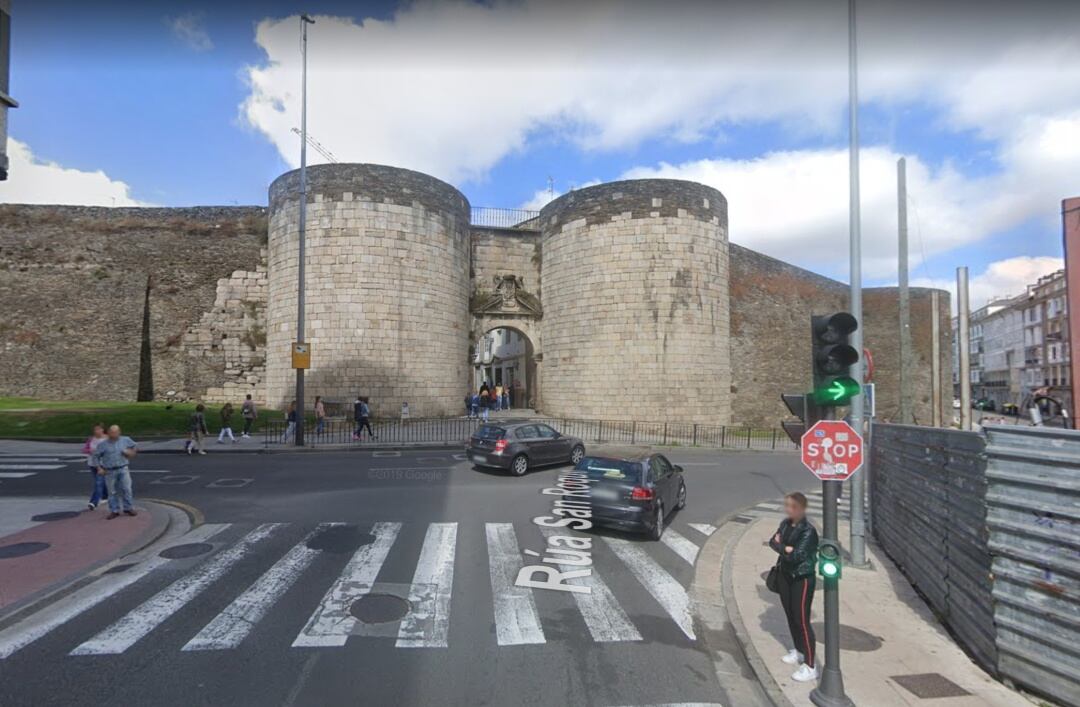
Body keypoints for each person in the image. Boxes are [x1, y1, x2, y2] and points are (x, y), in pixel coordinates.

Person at [769, 491, 820, 683]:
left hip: (802, 578)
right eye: (787, 506)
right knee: (790, 615)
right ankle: (798, 651)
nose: (788, 509)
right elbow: (772, 542)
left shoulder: (808, 531)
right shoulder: (785, 524)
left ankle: (810, 665)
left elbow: (797, 556)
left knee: (802, 620)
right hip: (785, 575)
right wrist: (785, 548)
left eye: (792, 506)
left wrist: (784, 548)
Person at [90, 425, 138, 519]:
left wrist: (131, 452)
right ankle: (114, 510)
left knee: (127, 489)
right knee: (112, 492)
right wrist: (99, 468)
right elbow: (95, 456)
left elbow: (134, 447)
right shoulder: (103, 444)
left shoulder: (126, 440)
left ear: (119, 432)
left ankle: (128, 508)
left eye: (115, 432)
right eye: (111, 432)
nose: (113, 434)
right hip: (110, 470)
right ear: (108, 432)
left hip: (123, 468)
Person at [81, 423, 109, 510]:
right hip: (92, 463)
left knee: (98, 482)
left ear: (102, 429)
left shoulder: (107, 439)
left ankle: (93, 502)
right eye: (95, 429)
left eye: (98, 429)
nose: (96, 431)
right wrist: (90, 450)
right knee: (100, 482)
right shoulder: (91, 439)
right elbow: (84, 449)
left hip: (103, 464)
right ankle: (105, 496)